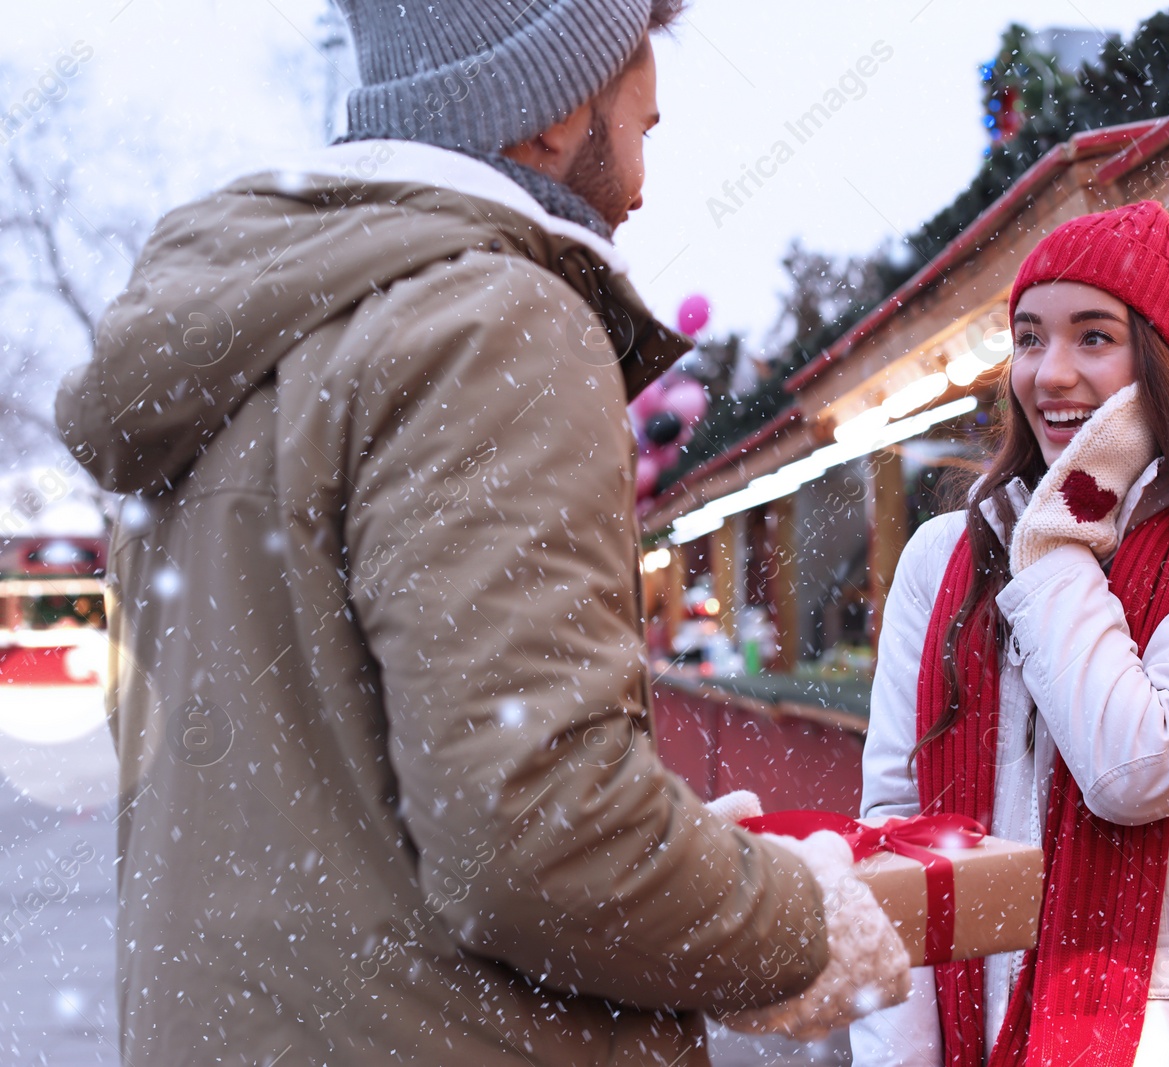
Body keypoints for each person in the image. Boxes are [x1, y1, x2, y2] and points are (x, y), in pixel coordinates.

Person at [56, 1, 906, 1062]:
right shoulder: (496, 318)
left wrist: (673, 859)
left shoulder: (236, 352)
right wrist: (799, 923)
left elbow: (336, 779)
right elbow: (539, 838)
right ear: (547, 113)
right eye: (642, 123)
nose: (642, 180)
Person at [850, 201, 1169, 1067]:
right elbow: (894, 835)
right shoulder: (940, 557)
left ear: (1163, 365)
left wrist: (1056, 539)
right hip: (969, 1029)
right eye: (1029, 338)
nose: (1049, 372)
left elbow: (1133, 767)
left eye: (1093, 337)